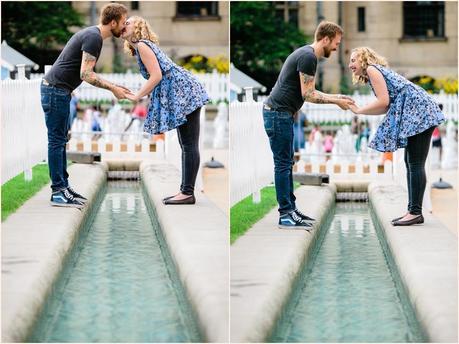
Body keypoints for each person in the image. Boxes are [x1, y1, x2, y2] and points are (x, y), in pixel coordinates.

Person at [263, 21, 354, 230]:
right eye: (336, 43)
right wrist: (336, 100)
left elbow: (303, 91)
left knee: (287, 164)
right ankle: (286, 214)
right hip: (277, 115)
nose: (336, 48)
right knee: (283, 165)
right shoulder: (308, 57)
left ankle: (291, 211)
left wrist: (337, 96)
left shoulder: (307, 55)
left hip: (281, 115)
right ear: (325, 38)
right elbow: (308, 94)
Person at [42, 3, 133, 208]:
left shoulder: (93, 35)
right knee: (56, 141)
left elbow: (74, 68)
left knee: (61, 139)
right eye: (123, 21)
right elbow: (86, 73)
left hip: (59, 91)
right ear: (112, 22)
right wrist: (112, 89)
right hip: (55, 91)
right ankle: (58, 191)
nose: (125, 25)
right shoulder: (94, 38)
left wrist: (115, 86)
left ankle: (63, 187)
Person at [348, 47, 444, 226]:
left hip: (419, 112)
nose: (350, 64)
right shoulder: (374, 73)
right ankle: (412, 211)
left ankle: (415, 212)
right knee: (411, 162)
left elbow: (383, 102)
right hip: (418, 112)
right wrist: (361, 110)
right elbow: (385, 106)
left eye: (353, 60)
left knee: (415, 163)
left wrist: (359, 110)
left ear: (363, 59)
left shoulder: (371, 69)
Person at [122, 16, 209, 205]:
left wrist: (137, 96)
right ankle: (185, 191)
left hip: (184, 92)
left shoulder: (142, 45)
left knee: (188, 144)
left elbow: (156, 76)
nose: (124, 24)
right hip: (182, 91)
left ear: (138, 27)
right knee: (186, 144)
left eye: (128, 22)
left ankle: (187, 193)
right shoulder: (139, 47)